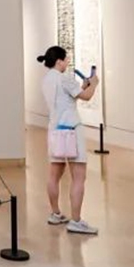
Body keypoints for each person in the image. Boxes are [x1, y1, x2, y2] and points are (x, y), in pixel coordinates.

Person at [39, 46, 100, 235]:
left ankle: (55, 213)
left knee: (54, 175)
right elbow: (87, 97)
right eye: (66, 60)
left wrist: (82, 86)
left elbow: (69, 96)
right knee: (79, 177)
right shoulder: (64, 78)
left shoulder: (47, 79)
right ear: (59, 61)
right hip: (72, 130)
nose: (67, 64)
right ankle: (76, 220)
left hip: (55, 130)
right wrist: (95, 83)